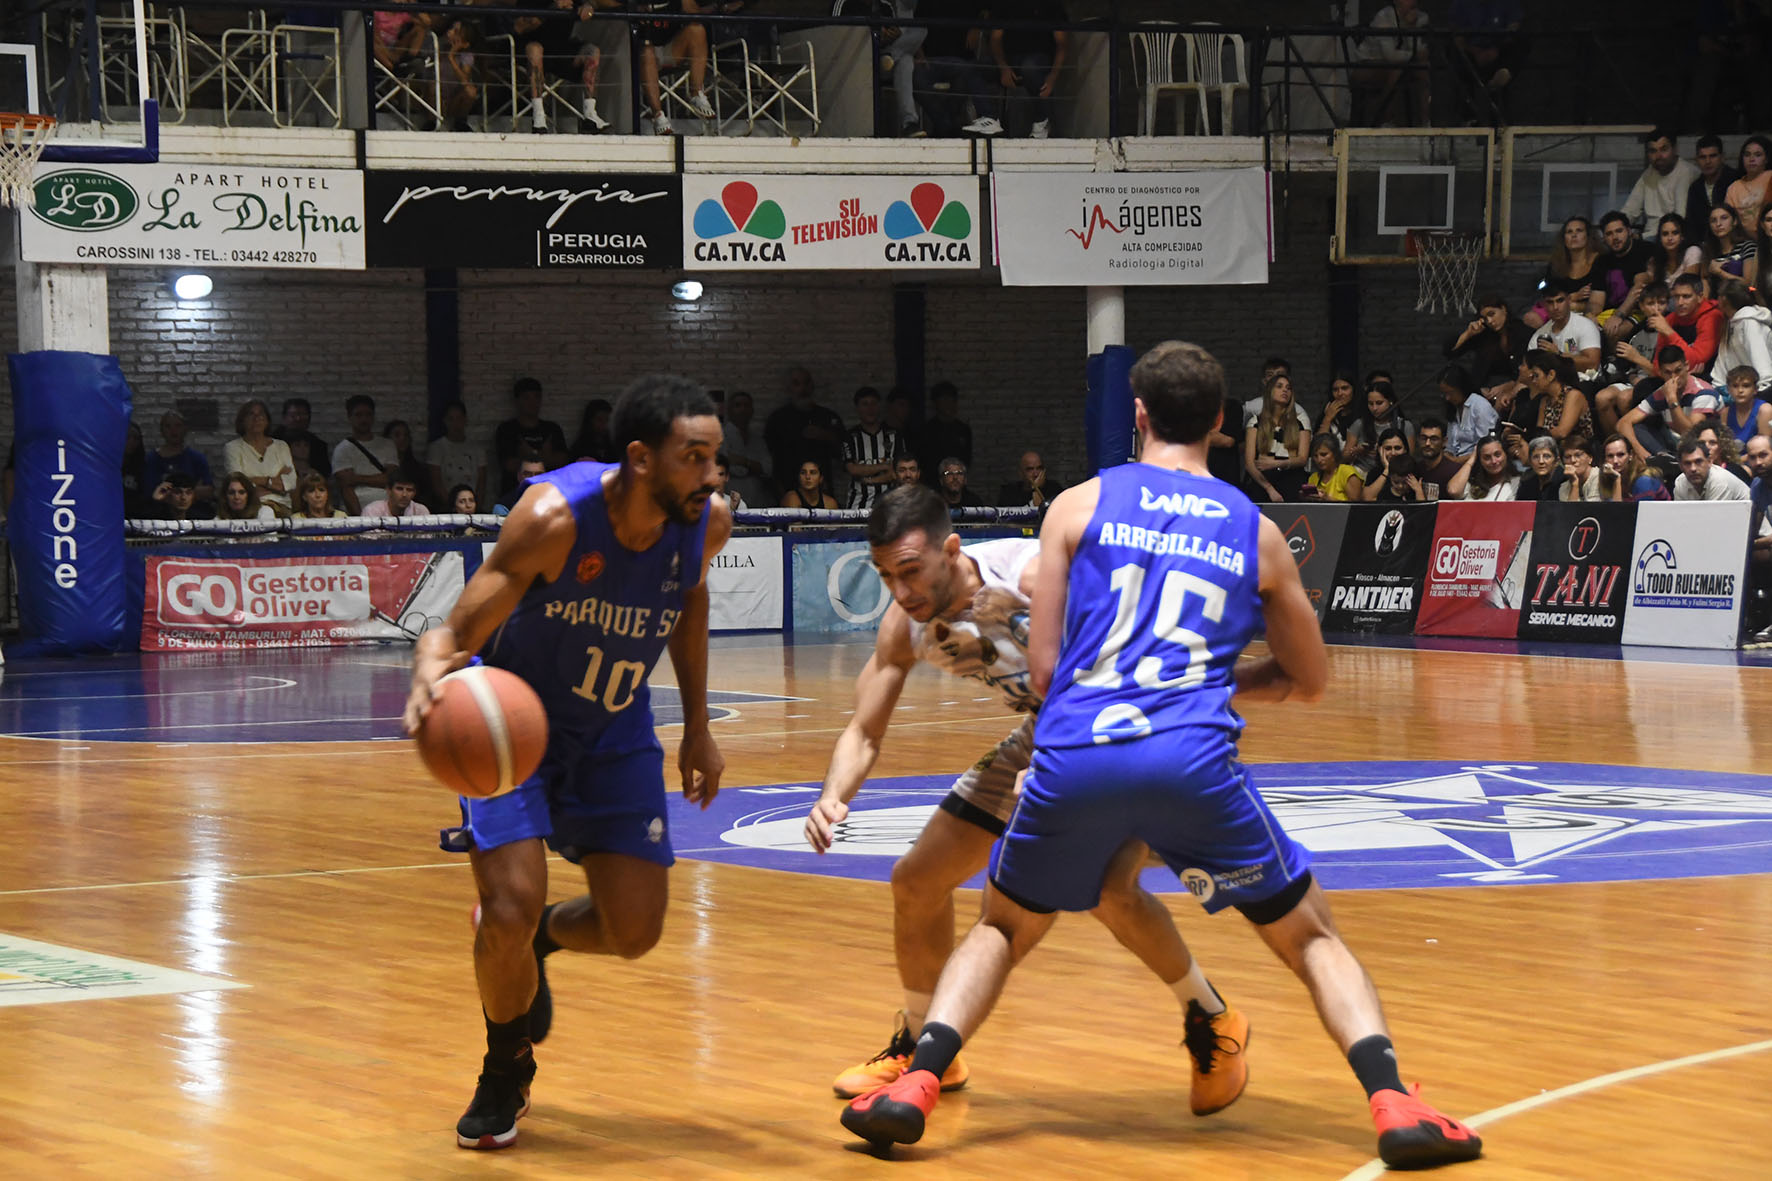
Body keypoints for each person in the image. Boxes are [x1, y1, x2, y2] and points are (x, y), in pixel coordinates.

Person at [839, 340, 1483, 1170]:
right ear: (1222, 422)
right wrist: (1207, 680)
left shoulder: (1073, 506)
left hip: (1074, 753)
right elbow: (1309, 680)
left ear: (1136, 416)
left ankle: (917, 1082)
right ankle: (1394, 1100)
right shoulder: (1257, 532)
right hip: (1188, 755)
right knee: (1311, 936)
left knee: (1001, 924)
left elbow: (1044, 671)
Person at [810, 484, 1246, 1114]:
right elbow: (864, 729)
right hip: (1046, 734)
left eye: (910, 571)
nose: (901, 592)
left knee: (1106, 887)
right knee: (916, 880)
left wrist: (1017, 614)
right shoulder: (905, 626)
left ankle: (1212, 1019)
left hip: (1134, 725)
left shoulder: (1032, 573)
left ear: (951, 550)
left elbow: (1132, 649)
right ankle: (926, 1042)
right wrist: (833, 796)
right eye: (885, 576)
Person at [404, 375, 730, 1151]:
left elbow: (689, 604)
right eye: (695, 458)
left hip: (613, 730)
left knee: (635, 930)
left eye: (716, 457)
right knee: (506, 908)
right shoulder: (554, 518)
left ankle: (543, 940)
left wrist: (696, 726)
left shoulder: (704, 523)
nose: (712, 476)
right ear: (642, 459)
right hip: (514, 735)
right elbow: (452, 634)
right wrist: (428, 675)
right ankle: (504, 1064)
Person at [1243, 371, 1311, 502]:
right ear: (1270, 391)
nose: (1285, 390)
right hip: (1263, 482)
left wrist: (1276, 463)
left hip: (1291, 478)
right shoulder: (1255, 422)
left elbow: (1302, 458)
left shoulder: (1300, 421)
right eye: (1279, 386)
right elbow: (1249, 464)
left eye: (1288, 388)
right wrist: (1269, 489)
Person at [496, 378, 568, 493]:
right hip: (514, 495)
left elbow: (563, 462)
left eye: (537, 397)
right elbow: (509, 465)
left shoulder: (551, 429)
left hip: (549, 494)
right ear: (517, 400)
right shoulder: (507, 429)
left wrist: (530, 455)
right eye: (527, 398)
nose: (532, 402)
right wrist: (545, 457)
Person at [223, 399, 296, 514]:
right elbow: (237, 483)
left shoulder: (281, 446)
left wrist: (255, 481)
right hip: (248, 506)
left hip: (280, 506)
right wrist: (273, 482)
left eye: (261, 414)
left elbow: (291, 482)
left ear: (267, 420)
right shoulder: (232, 448)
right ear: (242, 420)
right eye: (251, 414)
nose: (256, 418)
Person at [332, 394, 401, 514]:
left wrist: (356, 478)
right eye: (358, 415)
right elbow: (346, 487)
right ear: (349, 417)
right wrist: (360, 521)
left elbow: (391, 479)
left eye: (368, 415)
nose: (364, 419)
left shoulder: (388, 445)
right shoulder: (342, 449)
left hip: (388, 511)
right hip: (357, 513)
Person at [1622, 128, 1701, 229]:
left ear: (1675, 149)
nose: (1658, 156)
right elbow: (1630, 211)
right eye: (1653, 151)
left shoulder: (1687, 172)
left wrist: (1643, 237)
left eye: (1664, 149)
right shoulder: (1649, 173)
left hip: (1673, 235)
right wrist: (1618, 228)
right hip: (1649, 235)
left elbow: (1680, 220)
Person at [843, 387, 902, 511]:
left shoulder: (894, 435)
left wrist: (869, 480)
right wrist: (883, 466)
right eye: (865, 404)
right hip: (858, 504)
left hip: (890, 504)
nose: (870, 409)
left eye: (874, 403)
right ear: (857, 408)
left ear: (879, 406)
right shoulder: (850, 436)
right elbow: (852, 469)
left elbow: (896, 473)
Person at [429, 400, 487, 510]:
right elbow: (436, 481)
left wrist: (475, 506)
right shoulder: (437, 448)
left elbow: (481, 482)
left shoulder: (477, 449)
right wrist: (452, 506)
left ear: (465, 420)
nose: (455, 423)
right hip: (446, 507)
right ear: (445, 421)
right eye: (451, 419)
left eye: (459, 418)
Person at [1672, 430, 1751, 501]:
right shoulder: (1680, 482)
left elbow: (1714, 516)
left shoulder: (1720, 480)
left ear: (1709, 462)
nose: (1693, 469)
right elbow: (1680, 514)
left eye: (1698, 461)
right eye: (1687, 463)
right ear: (1680, 466)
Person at [1446, 435, 1519, 501]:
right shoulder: (1473, 483)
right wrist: (1472, 459)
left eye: (1497, 455)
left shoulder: (1516, 482)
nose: (1493, 461)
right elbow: (1453, 491)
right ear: (1480, 460)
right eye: (1487, 457)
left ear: (1506, 455)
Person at [1725, 135, 1772, 231]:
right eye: (1747, 155)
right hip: (1746, 241)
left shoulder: (1770, 177)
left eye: (1758, 155)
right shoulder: (1734, 188)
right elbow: (1729, 220)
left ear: (1766, 159)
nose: (1752, 159)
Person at [1302, 433, 1365, 501]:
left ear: (1335, 454)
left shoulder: (1347, 473)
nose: (1319, 460)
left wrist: (1328, 499)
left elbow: (1355, 507)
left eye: (1324, 455)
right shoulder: (1313, 478)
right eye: (1315, 456)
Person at [997, 450, 1067, 508]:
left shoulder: (1054, 489)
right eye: (1030, 469)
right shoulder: (1009, 492)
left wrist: (1035, 489)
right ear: (1021, 473)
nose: (1036, 474)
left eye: (1039, 468)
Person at [362, 466, 432, 518]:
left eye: (409, 490)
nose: (404, 494)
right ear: (389, 490)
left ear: (414, 493)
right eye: (399, 489)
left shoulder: (421, 511)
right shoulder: (372, 511)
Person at [570, 398, 620, 464]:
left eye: (608, 420)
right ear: (590, 421)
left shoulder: (615, 446)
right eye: (600, 420)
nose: (605, 424)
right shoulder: (580, 448)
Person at [215, 471, 280, 521]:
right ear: (225, 496)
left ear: (249, 494)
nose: (236, 497)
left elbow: (270, 537)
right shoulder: (218, 520)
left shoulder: (265, 512)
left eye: (241, 492)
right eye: (231, 493)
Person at [1559, 436, 1602, 501]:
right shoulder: (1564, 487)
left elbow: (1591, 510)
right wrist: (1574, 483)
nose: (1573, 460)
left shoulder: (1600, 478)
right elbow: (1569, 511)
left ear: (1590, 458)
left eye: (1578, 455)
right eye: (1567, 457)